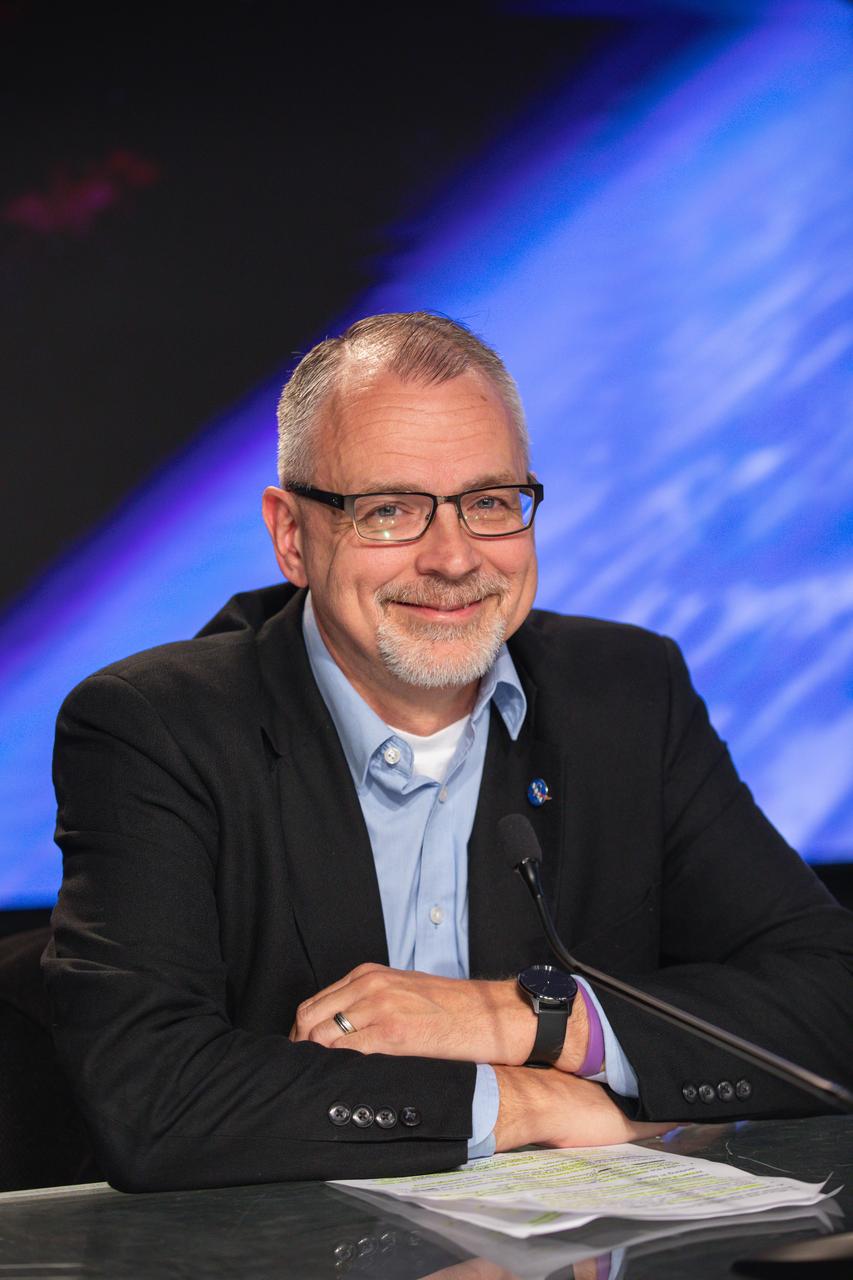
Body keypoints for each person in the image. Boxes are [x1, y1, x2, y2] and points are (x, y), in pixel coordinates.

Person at [44, 312, 853, 1193]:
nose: (455, 557)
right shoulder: (154, 727)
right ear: (292, 537)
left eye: (489, 503)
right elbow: (152, 1098)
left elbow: (831, 996)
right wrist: (526, 1106)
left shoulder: (626, 692)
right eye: (389, 510)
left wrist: (531, 1023)